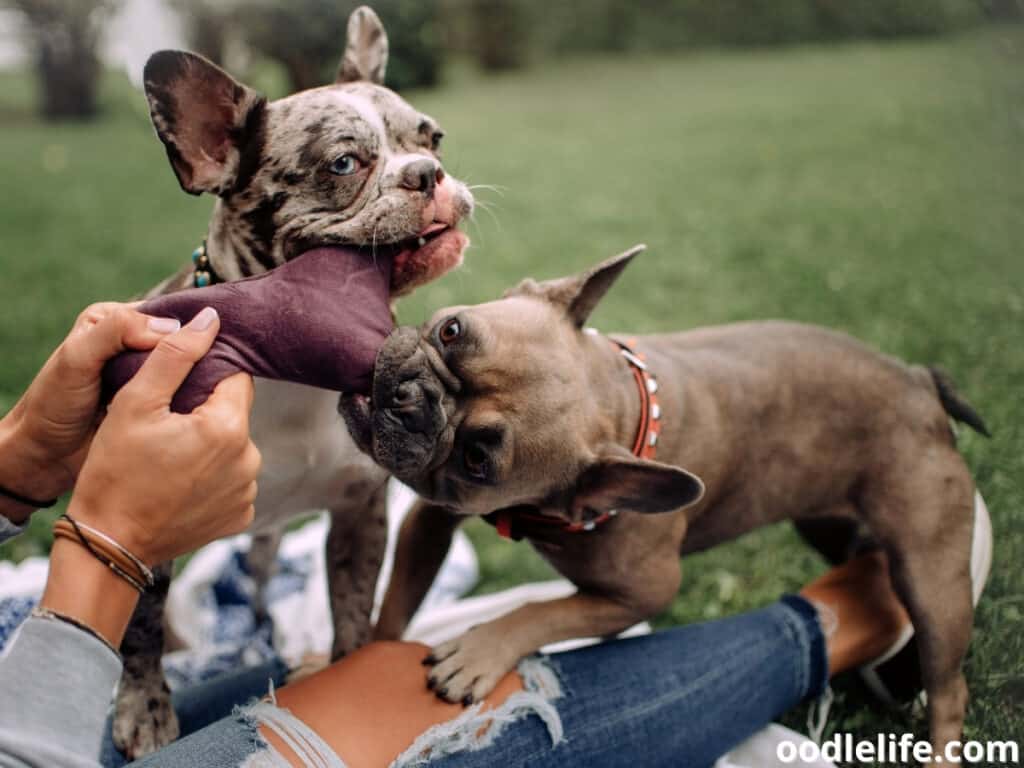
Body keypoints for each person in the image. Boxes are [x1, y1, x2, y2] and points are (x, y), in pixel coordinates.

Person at [0, 301, 954, 768]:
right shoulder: (539, 408)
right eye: (451, 336)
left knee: (329, 714)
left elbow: (643, 591)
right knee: (341, 699)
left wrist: (27, 484)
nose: (423, 392)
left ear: (603, 490)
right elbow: (429, 509)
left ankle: (904, 678)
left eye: (479, 452)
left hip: (878, 435)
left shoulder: (607, 500)